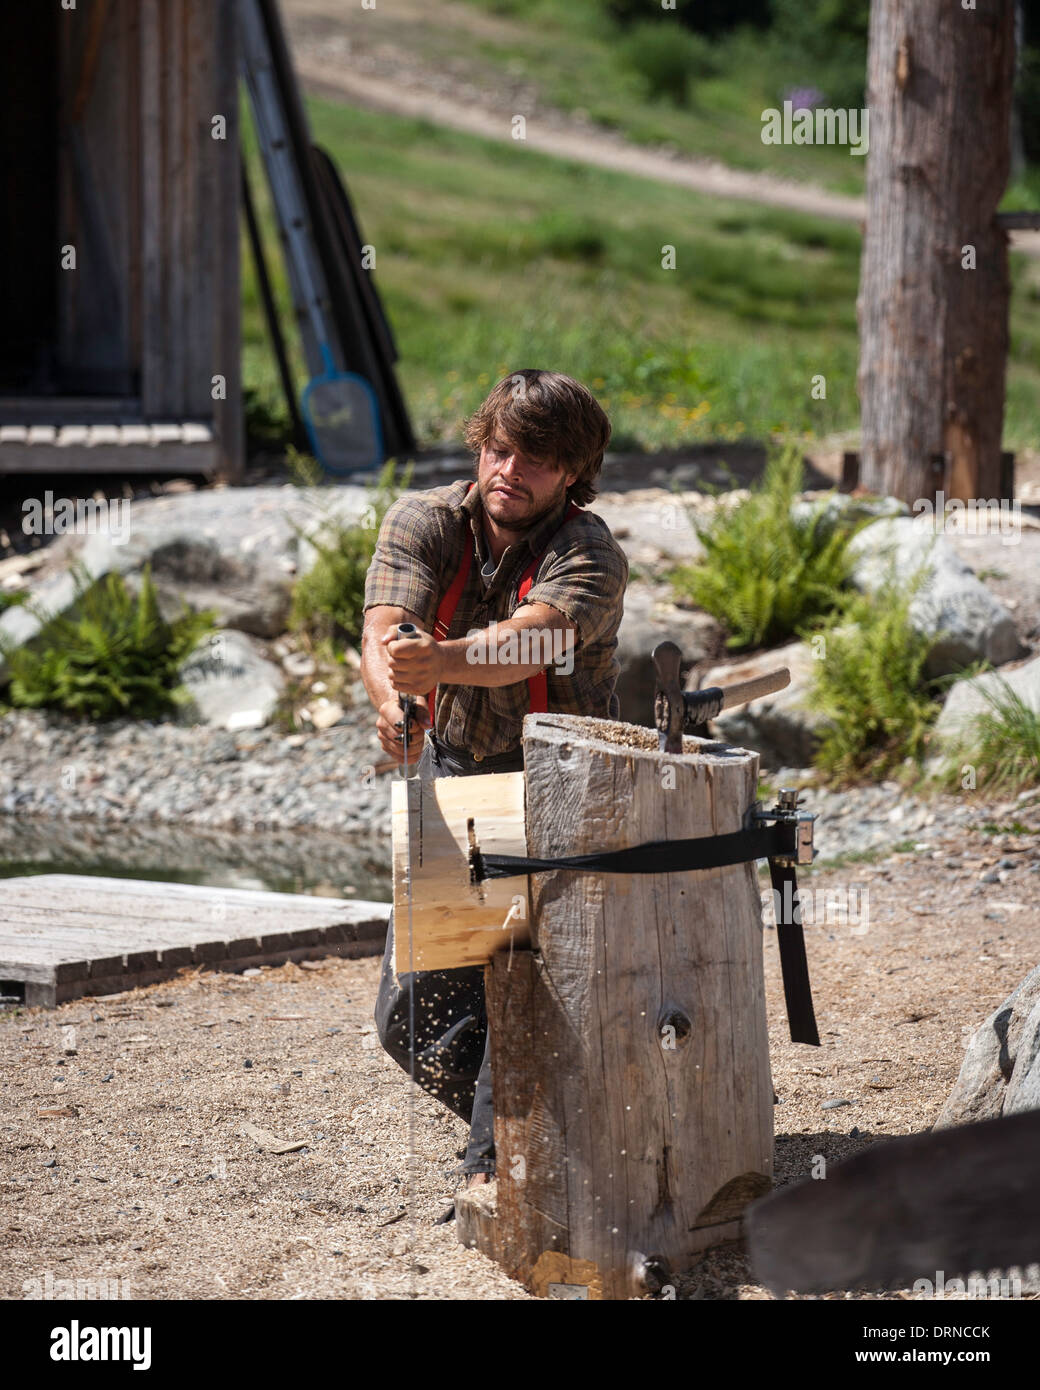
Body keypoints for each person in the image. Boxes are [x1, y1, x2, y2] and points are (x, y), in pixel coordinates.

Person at [361, 368, 628, 1211]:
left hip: (559, 785)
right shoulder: (425, 519)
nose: (511, 470)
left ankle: (496, 1163)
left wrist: (434, 662)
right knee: (410, 1017)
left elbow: (529, 644)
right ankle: (541, 1125)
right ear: (481, 444)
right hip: (454, 771)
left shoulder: (589, 552)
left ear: (572, 474)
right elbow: (384, 624)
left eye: (538, 460)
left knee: (513, 982)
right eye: (500, 448)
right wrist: (394, 696)